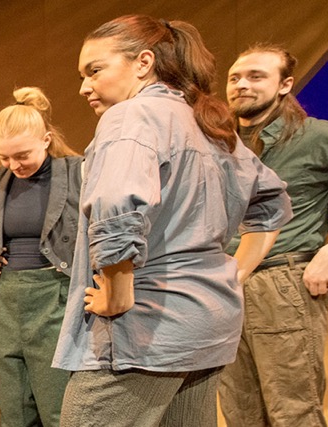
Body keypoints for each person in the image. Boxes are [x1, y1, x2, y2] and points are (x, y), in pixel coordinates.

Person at [52, 15, 292, 426]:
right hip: (205, 325)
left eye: (95, 70)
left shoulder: (132, 116)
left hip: (143, 329)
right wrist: (235, 270)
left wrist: (116, 287)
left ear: (143, 62)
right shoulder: (210, 126)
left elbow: (116, 203)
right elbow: (270, 203)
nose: (84, 86)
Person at [217, 44, 328, 426]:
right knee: (240, 416)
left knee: (293, 413)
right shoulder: (219, 146)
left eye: (256, 76)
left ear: (284, 84)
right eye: (234, 78)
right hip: (225, 284)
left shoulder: (323, 138)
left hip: (283, 281)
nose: (241, 84)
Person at [0, 87, 81, 426]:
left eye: (22, 155)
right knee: (14, 407)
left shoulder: (78, 173)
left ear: (46, 139)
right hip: (9, 298)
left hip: (57, 295)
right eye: (4, 157)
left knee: (57, 405)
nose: (13, 165)